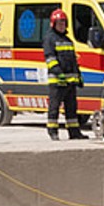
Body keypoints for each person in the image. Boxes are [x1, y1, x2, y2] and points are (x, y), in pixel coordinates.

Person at [42, 8, 87, 141]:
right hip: (57, 81)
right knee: (54, 107)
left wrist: (78, 76)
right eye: (59, 23)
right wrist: (58, 73)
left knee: (72, 108)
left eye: (63, 23)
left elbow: (73, 60)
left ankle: (74, 132)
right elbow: (50, 58)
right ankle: (53, 131)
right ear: (53, 24)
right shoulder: (50, 39)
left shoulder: (68, 40)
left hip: (70, 81)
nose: (61, 25)